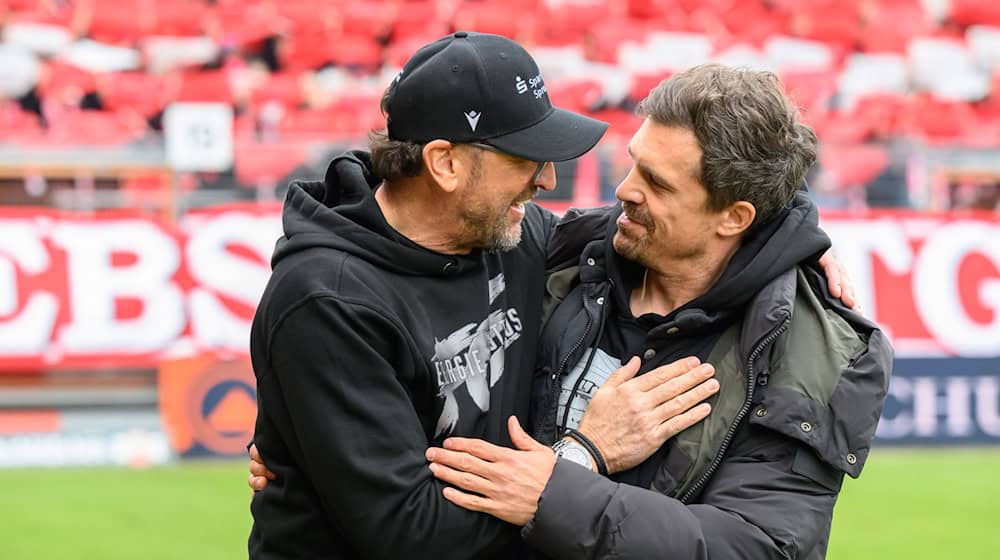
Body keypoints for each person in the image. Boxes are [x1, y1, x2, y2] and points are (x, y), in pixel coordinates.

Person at [247, 32, 857, 558]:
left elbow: (672, 222)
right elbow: (414, 538)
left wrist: (785, 234)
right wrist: (582, 456)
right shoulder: (327, 302)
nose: (547, 181)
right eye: (526, 158)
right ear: (445, 164)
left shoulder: (508, 236)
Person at [422, 65, 893, 559]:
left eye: (658, 184)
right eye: (634, 163)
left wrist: (557, 492)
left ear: (734, 218)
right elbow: (416, 195)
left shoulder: (806, 350)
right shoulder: (564, 252)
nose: (624, 189)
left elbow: (761, 546)